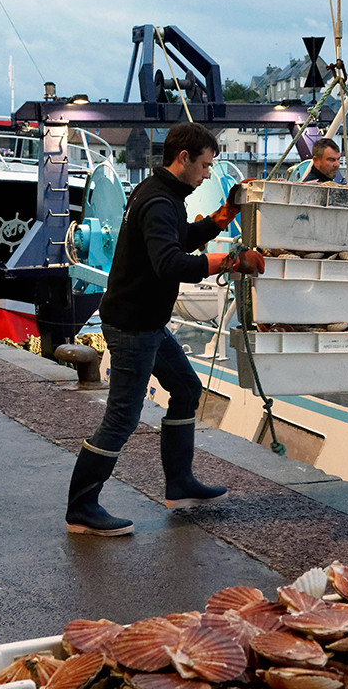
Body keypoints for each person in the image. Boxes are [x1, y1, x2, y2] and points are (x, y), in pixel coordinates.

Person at [65, 122, 265, 537]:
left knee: (187, 389)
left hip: (147, 322)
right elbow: (170, 263)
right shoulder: (159, 201)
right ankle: (82, 508)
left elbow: (181, 238)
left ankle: (180, 484)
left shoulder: (163, 193)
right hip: (133, 326)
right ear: (184, 158)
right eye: (205, 166)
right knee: (122, 417)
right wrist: (229, 261)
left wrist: (223, 216)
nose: (207, 174)